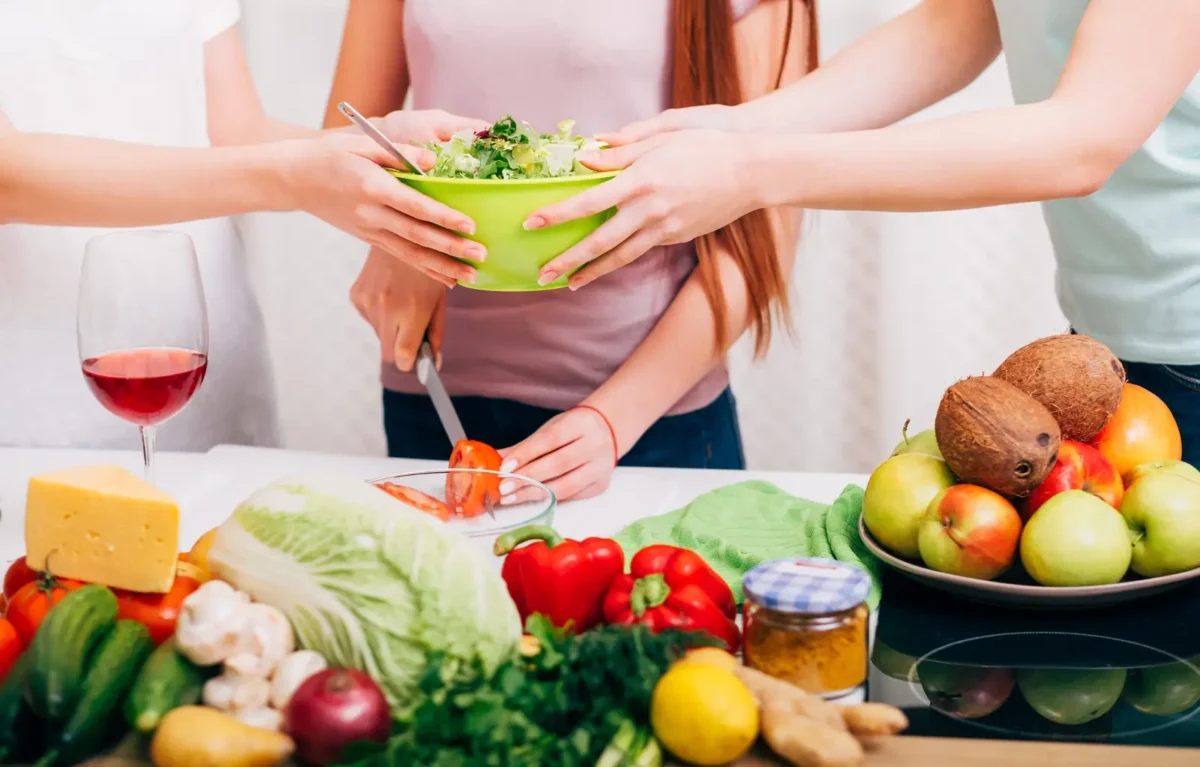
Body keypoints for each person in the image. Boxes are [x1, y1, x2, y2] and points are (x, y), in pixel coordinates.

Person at [525, 0, 1200, 465]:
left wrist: (750, 169)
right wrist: (745, 125)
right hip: (1110, 336)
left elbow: (1082, 142)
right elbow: (963, 20)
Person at [326, 0, 816, 501]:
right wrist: (398, 227)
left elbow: (761, 238)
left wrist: (613, 420)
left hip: (647, 420)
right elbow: (340, 150)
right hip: (432, 392)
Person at [0, 0, 481, 450]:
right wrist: (297, 175)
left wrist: (372, 149)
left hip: (204, 378)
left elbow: (235, 132)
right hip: (43, 403)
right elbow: (8, 177)